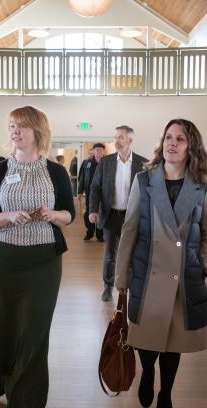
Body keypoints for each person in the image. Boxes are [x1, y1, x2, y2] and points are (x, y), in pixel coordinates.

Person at [0, 106, 74, 408]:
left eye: (22, 127)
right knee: (8, 327)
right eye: (12, 126)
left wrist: (52, 214)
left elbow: (69, 215)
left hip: (44, 262)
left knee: (34, 332)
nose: (15, 131)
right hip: (7, 262)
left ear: (38, 132)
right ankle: (8, 382)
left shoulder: (56, 172)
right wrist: (8, 216)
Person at [114, 119, 207, 408]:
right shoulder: (145, 181)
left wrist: (204, 263)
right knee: (147, 337)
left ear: (191, 147)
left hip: (183, 276)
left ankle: (167, 396)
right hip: (149, 271)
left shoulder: (202, 185)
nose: (173, 143)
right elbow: (129, 229)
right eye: (169, 137)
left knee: (174, 341)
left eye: (181, 139)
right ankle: (147, 371)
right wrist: (121, 277)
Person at [89, 126, 146, 301]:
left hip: (133, 217)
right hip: (111, 215)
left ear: (130, 140)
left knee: (133, 254)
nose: (116, 140)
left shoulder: (144, 164)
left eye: (120, 137)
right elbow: (95, 188)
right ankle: (108, 286)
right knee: (110, 255)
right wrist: (93, 210)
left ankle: (130, 288)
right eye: (115, 137)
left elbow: (149, 192)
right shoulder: (105, 163)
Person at [77, 143, 105, 242]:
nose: (98, 152)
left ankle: (100, 234)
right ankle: (89, 232)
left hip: (103, 194)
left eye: (101, 150)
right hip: (90, 193)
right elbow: (82, 178)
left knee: (101, 213)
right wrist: (80, 191)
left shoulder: (107, 163)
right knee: (88, 213)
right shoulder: (86, 163)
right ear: (93, 151)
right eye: (97, 150)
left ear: (103, 151)